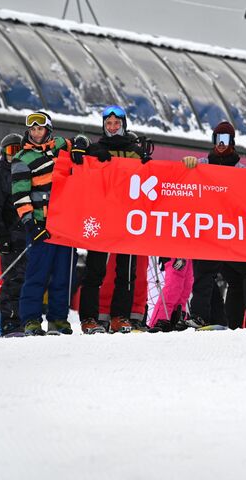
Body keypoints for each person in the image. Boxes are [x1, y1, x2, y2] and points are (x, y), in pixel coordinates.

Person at [11, 111, 91, 336]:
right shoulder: (21, 159)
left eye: (40, 129)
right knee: (37, 274)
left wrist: (79, 145)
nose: (36, 133)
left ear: (48, 130)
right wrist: (31, 225)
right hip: (42, 226)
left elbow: (80, 141)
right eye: (33, 129)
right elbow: (20, 195)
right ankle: (31, 320)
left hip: (65, 223)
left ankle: (58, 319)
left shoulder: (58, 145)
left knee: (63, 275)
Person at [184, 121, 246, 329]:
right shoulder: (204, 163)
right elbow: (185, 173)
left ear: (232, 142)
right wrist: (188, 163)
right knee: (203, 273)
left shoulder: (240, 169)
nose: (220, 144)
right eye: (217, 139)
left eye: (225, 139)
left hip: (231, 234)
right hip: (209, 230)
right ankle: (201, 316)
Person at [78, 105, 148, 334]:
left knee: (126, 272)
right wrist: (84, 150)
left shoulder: (135, 152)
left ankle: (120, 317)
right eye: (108, 124)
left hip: (127, 219)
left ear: (123, 125)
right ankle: (89, 318)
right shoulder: (97, 148)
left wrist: (148, 163)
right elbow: (74, 161)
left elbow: (149, 181)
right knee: (95, 270)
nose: (112, 127)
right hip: (102, 217)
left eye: (116, 123)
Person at [0, 133, 26, 336]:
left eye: (19, 150)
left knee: (23, 278)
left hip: (24, 235)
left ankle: (2, 320)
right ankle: (8, 321)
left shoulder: (26, 173)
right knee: (13, 279)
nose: (15, 155)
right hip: (10, 236)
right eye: (11, 151)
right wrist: (2, 237)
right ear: (3, 154)